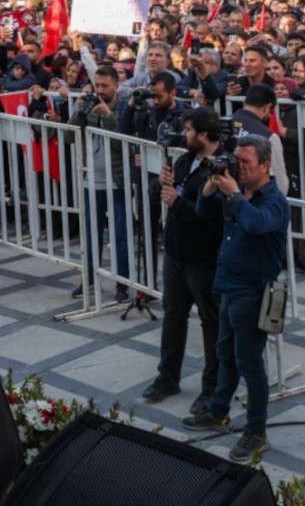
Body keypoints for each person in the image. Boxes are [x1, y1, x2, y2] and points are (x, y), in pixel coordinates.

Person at [182, 134, 288, 463]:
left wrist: (233, 194)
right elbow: (202, 211)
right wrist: (211, 189)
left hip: (253, 291)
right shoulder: (236, 192)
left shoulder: (274, 201)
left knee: (250, 363)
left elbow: (257, 225)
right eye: (237, 161)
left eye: (246, 164)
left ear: (265, 166)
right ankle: (218, 410)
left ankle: (256, 431)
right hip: (228, 285)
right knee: (225, 351)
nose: (239, 168)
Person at [143, 107, 224, 416]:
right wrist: (160, 184)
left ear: (203, 134)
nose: (184, 135)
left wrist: (179, 202)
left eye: (189, 130)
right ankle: (167, 377)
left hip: (203, 258)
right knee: (173, 315)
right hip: (176, 252)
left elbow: (214, 219)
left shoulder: (219, 168)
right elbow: (161, 196)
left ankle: (211, 388)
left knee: (210, 322)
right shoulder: (185, 160)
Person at [69, 65, 131, 302]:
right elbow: (68, 137)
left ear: (116, 85)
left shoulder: (124, 107)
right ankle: (89, 279)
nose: (101, 90)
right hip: (90, 180)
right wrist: (77, 113)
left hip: (116, 182)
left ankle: (122, 284)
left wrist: (108, 116)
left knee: (120, 236)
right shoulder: (88, 105)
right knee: (90, 234)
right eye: (98, 85)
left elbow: (122, 143)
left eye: (106, 86)